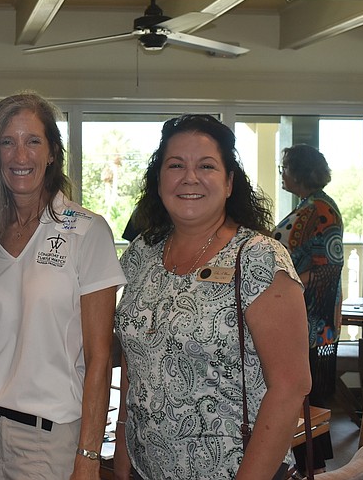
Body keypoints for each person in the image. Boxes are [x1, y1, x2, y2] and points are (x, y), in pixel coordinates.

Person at [112, 114, 312, 480]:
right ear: (159, 180)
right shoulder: (142, 252)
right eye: (176, 165)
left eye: (206, 166)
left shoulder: (258, 258)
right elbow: (134, 357)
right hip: (145, 469)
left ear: (229, 182)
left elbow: (290, 387)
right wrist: (123, 440)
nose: (190, 177)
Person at [0, 93, 126, 480]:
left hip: (49, 441)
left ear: (52, 152)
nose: (20, 155)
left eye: (33, 141)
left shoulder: (87, 232)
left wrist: (88, 455)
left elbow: (100, 359)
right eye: (7, 142)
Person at [274, 144, 344, 474]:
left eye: (285, 168)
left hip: (313, 321)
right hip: (302, 317)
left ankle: (313, 469)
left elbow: (328, 266)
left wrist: (287, 288)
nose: (282, 173)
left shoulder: (321, 208)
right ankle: (309, 467)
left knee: (307, 398)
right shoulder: (308, 205)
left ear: (300, 172)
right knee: (303, 397)